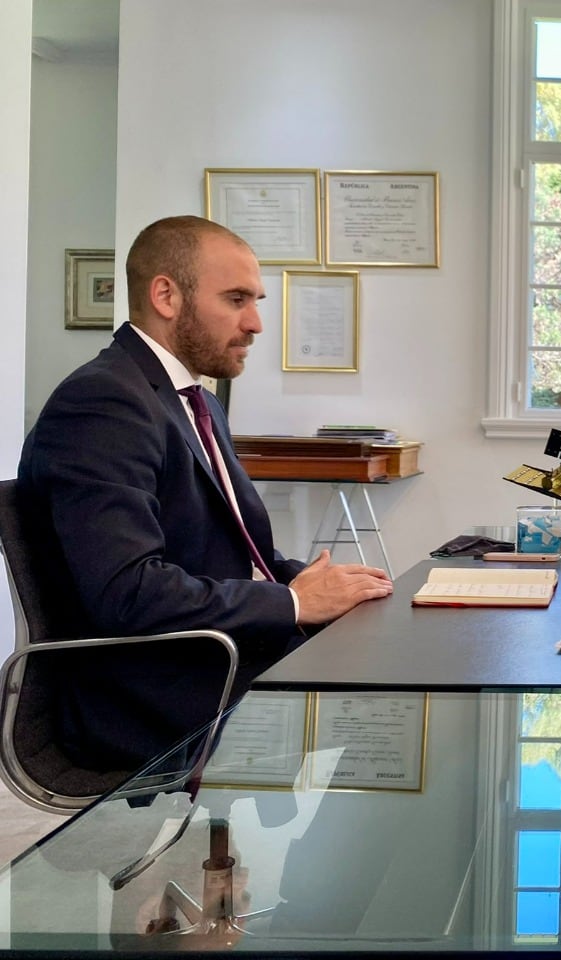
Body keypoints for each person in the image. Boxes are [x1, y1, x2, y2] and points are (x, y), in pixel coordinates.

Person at [17, 215, 394, 771]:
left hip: (217, 656)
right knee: (386, 724)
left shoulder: (193, 398)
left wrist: (320, 585)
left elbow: (235, 556)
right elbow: (129, 592)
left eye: (256, 300)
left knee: (397, 666)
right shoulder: (103, 403)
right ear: (166, 295)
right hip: (151, 695)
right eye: (237, 299)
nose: (257, 323)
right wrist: (293, 602)